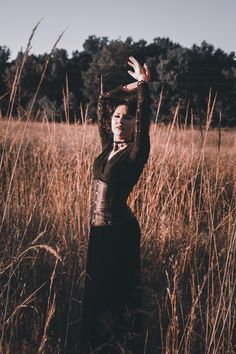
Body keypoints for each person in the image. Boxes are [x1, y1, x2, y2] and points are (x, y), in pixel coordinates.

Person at [81, 56, 151, 352]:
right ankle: (95, 343)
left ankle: (121, 344)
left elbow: (145, 114)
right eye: (117, 117)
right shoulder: (107, 146)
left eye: (128, 117)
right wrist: (131, 86)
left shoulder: (136, 151)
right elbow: (103, 100)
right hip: (97, 233)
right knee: (95, 290)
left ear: (137, 124)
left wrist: (145, 86)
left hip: (118, 231)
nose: (120, 121)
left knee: (115, 291)